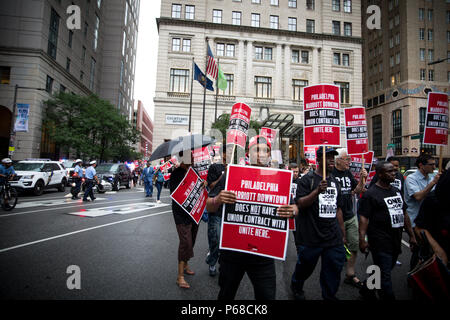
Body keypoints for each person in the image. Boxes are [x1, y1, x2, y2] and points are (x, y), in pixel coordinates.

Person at [206, 135, 297, 300]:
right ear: (249, 153)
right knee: (226, 294)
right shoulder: (231, 174)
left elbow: (294, 207)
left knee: (267, 296)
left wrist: (293, 210)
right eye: (257, 149)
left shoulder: (279, 178)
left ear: (269, 155)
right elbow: (208, 205)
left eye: (266, 150)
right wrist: (218, 199)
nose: (261, 154)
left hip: (263, 255)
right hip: (233, 252)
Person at [291, 146, 346, 301]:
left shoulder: (334, 181)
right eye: (327, 157)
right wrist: (316, 192)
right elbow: (300, 203)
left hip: (332, 236)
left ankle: (329, 295)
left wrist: (342, 234)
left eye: (332, 157)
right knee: (305, 267)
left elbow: (338, 209)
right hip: (311, 236)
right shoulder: (306, 180)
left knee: (333, 269)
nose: (331, 160)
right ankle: (297, 285)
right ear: (318, 160)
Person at [358, 161, 417, 300]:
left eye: (394, 171)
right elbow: (364, 219)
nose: (394, 173)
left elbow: (404, 213)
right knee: (385, 278)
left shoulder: (395, 191)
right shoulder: (371, 194)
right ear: (380, 174)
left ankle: (367, 288)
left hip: (395, 239)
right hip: (379, 240)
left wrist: (412, 235)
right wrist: (362, 239)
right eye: (389, 171)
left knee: (382, 269)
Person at [332, 148, 367, 289]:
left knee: (354, 244)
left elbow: (357, 190)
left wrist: (362, 178)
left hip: (350, 215)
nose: (349, 162)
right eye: (347, 159)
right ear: (338, 160)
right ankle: (332, 275)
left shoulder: (348, 173)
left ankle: (350, 274)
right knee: (337, 247)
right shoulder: (330, 174)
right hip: (335, 218)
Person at [404, 154, 440, 270]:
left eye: (435, 164)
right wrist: (433, 183)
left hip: (428, 221)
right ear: (421, 165)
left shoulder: (430, 178)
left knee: (427, 251)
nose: (434, 167)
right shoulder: (411, 179)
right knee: (418, 250)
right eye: (431, 164)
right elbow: (418, 197)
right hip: (414, 221)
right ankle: (413, 275)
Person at [170, 152, 198, 289]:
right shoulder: (177, 173)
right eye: (190, 158)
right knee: (185, 242)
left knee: (191, 239)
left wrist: (201, 184)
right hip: (181, 213)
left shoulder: (192, 171)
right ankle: (179, 276)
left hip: (193, 212)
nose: (193, 160)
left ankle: (186, 264)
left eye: (193, 158)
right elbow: (175, 194)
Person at [414, 167, 450, 268]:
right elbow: (420, 228)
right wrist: (439, 252)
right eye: (431, 164)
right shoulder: (434, 200)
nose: (433, 167)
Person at [205, 144, 227, 277]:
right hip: (215, 208)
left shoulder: (237, 168)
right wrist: (223, 175)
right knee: (216, 240)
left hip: (229, 211)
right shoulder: (214, 167)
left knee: (227, 242)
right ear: (222, 153)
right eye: (227, 152)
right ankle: (212, 261)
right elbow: (211, 185)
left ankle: (223, 264)